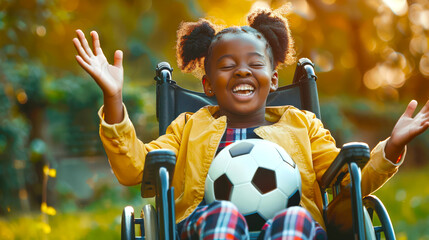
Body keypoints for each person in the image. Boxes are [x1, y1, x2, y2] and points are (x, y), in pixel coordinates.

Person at [73, 7, 429, 240]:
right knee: (222, 213)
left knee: (298, 222)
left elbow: (347, 181)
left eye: (254, 64)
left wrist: (392, 147)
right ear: (208, 85)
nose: (242, 70)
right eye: (227, 65)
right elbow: (135, 168)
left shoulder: (301, 125)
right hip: (207, 225)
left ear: (273, 80)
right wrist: (114, 100)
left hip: (293, 225)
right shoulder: (188, 127)